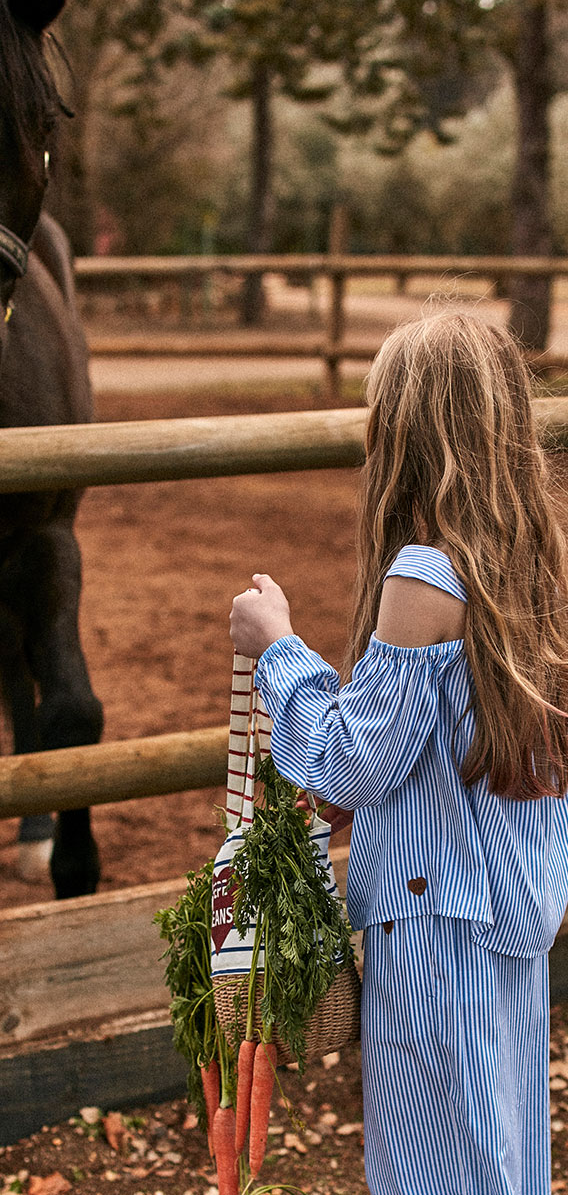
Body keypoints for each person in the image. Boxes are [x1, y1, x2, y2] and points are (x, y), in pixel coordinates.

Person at [229, 310, 568, 1195]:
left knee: (432, 1165)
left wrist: (278, 650)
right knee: (500, 1146)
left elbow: (354, 764)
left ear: (407, 436)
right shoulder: (537, 564)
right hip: (516, 911)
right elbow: (448, 736)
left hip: (434, 923)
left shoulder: (426, 576)